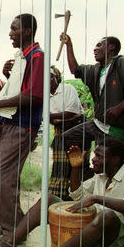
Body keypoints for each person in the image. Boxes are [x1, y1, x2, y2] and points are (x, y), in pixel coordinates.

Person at [0, 137, 124, 247]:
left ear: (116, 160)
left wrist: (97, 199)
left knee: (107, 216)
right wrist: (76, 168)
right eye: (95, 154)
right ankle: (9, 242)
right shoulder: (101, 177)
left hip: (123, 246)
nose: (94, 159)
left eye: (100, 156)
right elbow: (77, 196)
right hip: (98, 236)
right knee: (50, 199)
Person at [48, 34, 124, 200]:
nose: (95, 49)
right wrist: (69, 45)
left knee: (105, 165)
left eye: (100, 45)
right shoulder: (96, 70)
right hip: (98, 123)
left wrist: (121, 106)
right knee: (63, 139)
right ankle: (76, 179)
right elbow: (75, 70)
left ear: (111, 48)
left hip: (117, 130)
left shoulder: (123, 64)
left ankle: (102, 198)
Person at [0, 13, 44, 236]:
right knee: (5, 176)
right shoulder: (23, 57)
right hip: (14, 123)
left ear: (28, 31)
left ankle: (13, 231)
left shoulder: (36, 56)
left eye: (14, 29)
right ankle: (17, 225)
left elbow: (34, 96)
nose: (10, 33)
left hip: (23, 125)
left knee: (0, 175)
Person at [48, 66, 84, 201]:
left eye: (51, 76)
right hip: (59, 129)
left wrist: (49, 115)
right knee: (60, 167)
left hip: (77, 128)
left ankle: (75, 196)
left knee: (76, 163)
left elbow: (72, 112)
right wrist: (51, 117)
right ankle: (59, 197)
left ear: (57, 77)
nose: (48, 79)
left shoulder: (68, 89)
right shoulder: (45, 95)